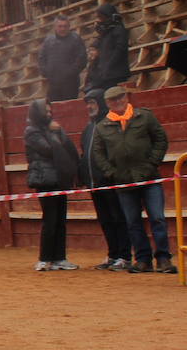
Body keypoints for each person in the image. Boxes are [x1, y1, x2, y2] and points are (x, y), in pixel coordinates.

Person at [91, 86, 174, 273]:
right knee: (133, 222)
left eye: (120, 98)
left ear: (127, 98)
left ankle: (163, 258)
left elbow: (161, 140)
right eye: (114, 100)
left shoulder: (144, 116)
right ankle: (143, 259)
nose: (118, 102)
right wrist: (111, 173)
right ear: (108, 104)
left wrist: (152, 164)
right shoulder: (102, 127)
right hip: (123, 181)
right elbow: (99, 154)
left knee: (158, 218)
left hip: (149, 178)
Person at [24, 100, 79, 271]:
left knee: (60, 220)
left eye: (50, 111)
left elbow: (68, 148)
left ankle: (59, 258)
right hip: (45, 179)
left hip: (59, 178)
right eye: (45, 111)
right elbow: (48, 150)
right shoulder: (31, 131)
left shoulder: (53, 129)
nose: (48, 114)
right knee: (50, 219)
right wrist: (55, 132)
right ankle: (45, 258)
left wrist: (58, 131)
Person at [79, 90, 130, 270]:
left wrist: (112, 174)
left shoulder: (110, 123)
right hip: (95, 184)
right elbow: (85, 154)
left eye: (92, 102)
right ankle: (113, 254)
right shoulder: (88, 128)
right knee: (106, 220)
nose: (89, 106)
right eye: (87, 103)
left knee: (118, 217)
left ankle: (124, 256)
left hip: (111, 180)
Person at [37, 14, 88, 103]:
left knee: (70, 107)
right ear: (55, 27)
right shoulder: (48, 40)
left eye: (65, 26)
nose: (62, 29)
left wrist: (70, 72)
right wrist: (46, 72)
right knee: (54, 109)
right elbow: (42, 57)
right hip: (53, 83)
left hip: (70, 83)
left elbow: (82, 59)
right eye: (60, 26)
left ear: (69, 27)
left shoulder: (75, 39)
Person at [86, 3, 130, 92]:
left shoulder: (118, 30)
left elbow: (120, 50)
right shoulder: (106, 31)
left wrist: (108, 67)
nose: (98, 20)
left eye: (101, 17)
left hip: (115, 74)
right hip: (106, 75)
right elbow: (97, 43)